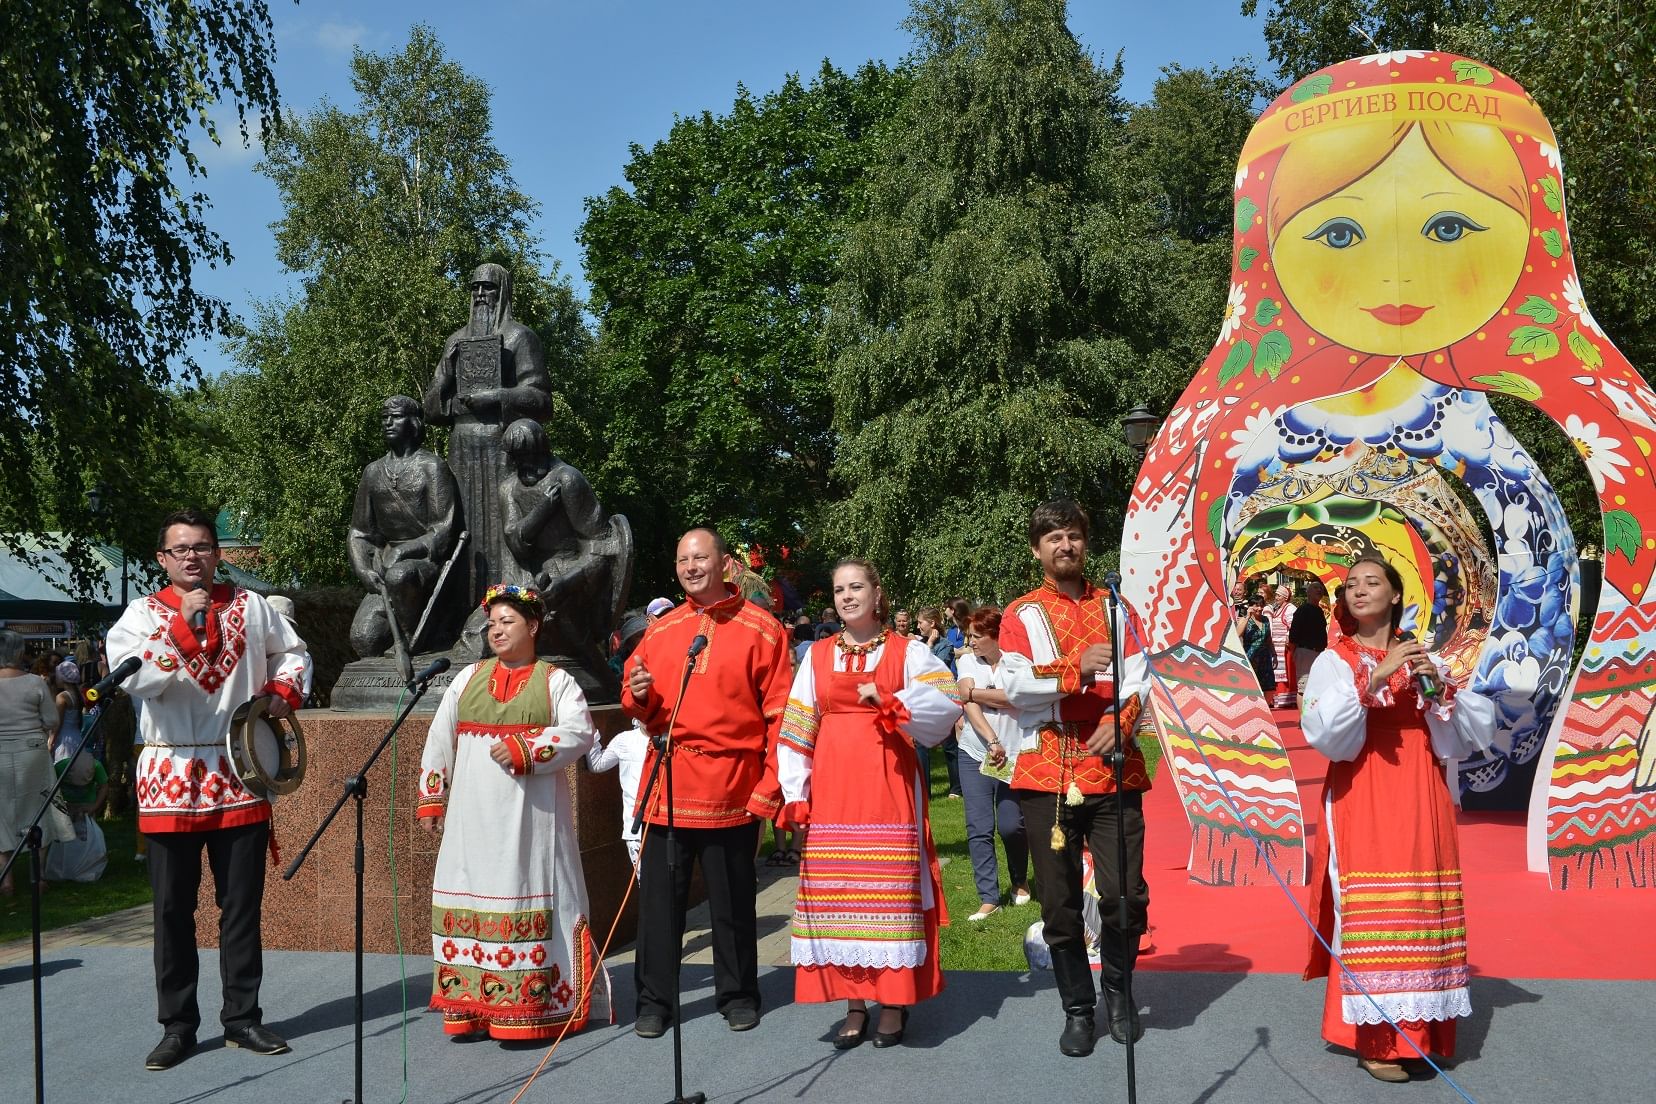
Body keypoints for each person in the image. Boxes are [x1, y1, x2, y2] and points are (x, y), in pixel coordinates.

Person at [107, 508, 309, 1071]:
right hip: (170, 777)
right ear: (162, 559)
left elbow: (293, 654)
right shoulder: (140, 615)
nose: (192, 556)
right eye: (180, 549)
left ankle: (242, 1019)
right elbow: (135, 678)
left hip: (238, 771)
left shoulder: (253, 607)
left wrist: (280, 695)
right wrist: (181, 627)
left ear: (218, 553)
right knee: (172, 909)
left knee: (240, 906)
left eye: (202, 546)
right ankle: (178, 1026)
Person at [1301, 554, 1495, 1083]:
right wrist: (1373, 680)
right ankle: (1376, 1040)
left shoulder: (1420, 653)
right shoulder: (1334, 658)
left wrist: (1441, 691)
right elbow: (1326, 734)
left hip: (1420, 782)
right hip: (1365, 783)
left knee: (1421, 904)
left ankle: (1425, 1034)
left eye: (1371, 582)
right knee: (1372, 909)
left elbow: (1468, 731)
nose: (1358, 591)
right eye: (1349, 586)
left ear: (1394, 592)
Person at [775, 558, 960, 1048]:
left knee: (888, 897)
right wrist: (796, 791)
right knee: (839, 899)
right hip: (833, 790)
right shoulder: (816, 656)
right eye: (839, 590)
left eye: (857, 587)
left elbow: (944, 709)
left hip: (887, 786)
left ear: (878, 594)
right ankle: (854, 1004)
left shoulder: (909, 653)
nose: (847, 597)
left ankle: (893, 1004)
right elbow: (796, 727)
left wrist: (891, 702)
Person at [416, 584, 610, 1039]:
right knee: (468, 894)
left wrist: (527, 748)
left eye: (508, 622)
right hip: (470, 822)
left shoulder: (554, 681)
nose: (496, 630)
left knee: (527, 891)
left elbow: (580, 733)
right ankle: (472, 1007)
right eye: (492, 623)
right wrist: (432, 797)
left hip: (530, 823)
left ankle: (534, 1010)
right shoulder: (465, 679)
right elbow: (439, 740)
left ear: (534, 626)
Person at [621, 528, 792, 1037]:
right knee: (658, 904)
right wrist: (638, 692)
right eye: (682, 560)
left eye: (700, 557)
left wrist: (770, 786)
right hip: (669, 785)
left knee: (734, 902)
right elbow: (639, 704)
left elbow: (782, 717)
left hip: (733, 785)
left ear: (724, 564)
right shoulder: (661, 629)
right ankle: (653, 1001)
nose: (690, 566)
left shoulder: (764, 630)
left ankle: (738, 993)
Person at [1001, 499, 1151, 1058]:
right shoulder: (1021, 614)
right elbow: (1016, 686)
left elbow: (1140, 677)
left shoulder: (1117, 608)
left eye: (1073, 536)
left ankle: (1118, 990)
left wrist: (1121, 718)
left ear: (1087, 542)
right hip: (1048, 768)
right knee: (1060, 903)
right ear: (1037, 549)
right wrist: (1074, 669)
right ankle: (1078, 1008)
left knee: (1125, 895)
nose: (1065, 546)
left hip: (1114, 767)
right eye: (1053, 538)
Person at [424, 263, 554, 598]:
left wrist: (497, 396)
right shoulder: (455, 341)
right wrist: (445, 370)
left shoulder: (519, 337)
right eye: (475, 288)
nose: (481, 295)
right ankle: (462, 609)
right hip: (463, 446)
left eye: (488, 288)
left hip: (505, 442)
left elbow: (541, 400)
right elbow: (431, 409)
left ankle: (510, 603)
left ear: (503, 291)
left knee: (503, 527)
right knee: (463, 527)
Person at [347, 395, 463, 664]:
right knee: (364, 639)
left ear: (413, 422)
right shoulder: (372, 472)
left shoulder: (432, 467)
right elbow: (359, 532)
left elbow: (443, 531)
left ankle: (417, 640)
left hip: (425, 565)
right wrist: (363, 569)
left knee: (400, 575)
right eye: (384, 417)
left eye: (395, 417)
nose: (388, 422)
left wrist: (403, 552)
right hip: (385, 569)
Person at [954, 606, 1031, 920]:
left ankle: (1020, 881)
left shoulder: (1018, 662)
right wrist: (991, 739)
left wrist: (979, 692)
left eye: (976, 636)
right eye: (969, 635)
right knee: (979, 827)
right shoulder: (966, 660)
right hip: (976, 752)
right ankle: (989, 897)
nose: (970, 641)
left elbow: (1020, 698)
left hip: (1015, 753)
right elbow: (966, 701)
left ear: (995, 637)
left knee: (1012, 825)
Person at [0, 629, 74, 896]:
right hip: (31, 749)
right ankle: (40, 875)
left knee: (1, 814)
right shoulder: (34, 682)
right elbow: (53, 720)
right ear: (20, 652)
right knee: (40, 809)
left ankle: (6, 879)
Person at [586, 715, 650, 877]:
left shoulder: (669, 738)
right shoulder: (624, 740)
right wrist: (590, 734)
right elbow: (598, 764)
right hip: (635, 828)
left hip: (667, 826)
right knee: (646, 881)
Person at [1290, 580, 1329, 696]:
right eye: (1315, 588)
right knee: (1304, 688)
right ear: (1308, 592)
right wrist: (1294, 653)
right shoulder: (1302, 610)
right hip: (1305, 652)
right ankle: (1303, 714)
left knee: (1316, 686)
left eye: (1321, 588)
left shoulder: (1320, 611)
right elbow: (1293, 634)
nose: (1319, 590)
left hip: (1318, 652)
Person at [1240, 596, 1277, 695]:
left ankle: (1266, 709)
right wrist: (1247, 616)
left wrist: (1274, 654)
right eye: (1256, 606)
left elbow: (1269, 639)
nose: (1259, 609)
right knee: (1251, 687)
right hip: (1251, 657)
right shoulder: (1244, 619)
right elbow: (1237, 634)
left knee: (1269, 688)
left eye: (1261, 606)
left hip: (1265, 657)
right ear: (1250, 606)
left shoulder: (1265, 620)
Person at [1268, 584, 1296, 708]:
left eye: (1279, 595)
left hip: (1285, 647)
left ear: (1285, 597)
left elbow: (1294, 626)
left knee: (1285, 673)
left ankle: (1287, 699)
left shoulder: (1290, 608)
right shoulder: (1278, 608)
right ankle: (1279, 699)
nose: (1276, 597)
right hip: (1276, 647)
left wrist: (1288, 639)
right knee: (1277, 672)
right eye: (1276, 595)